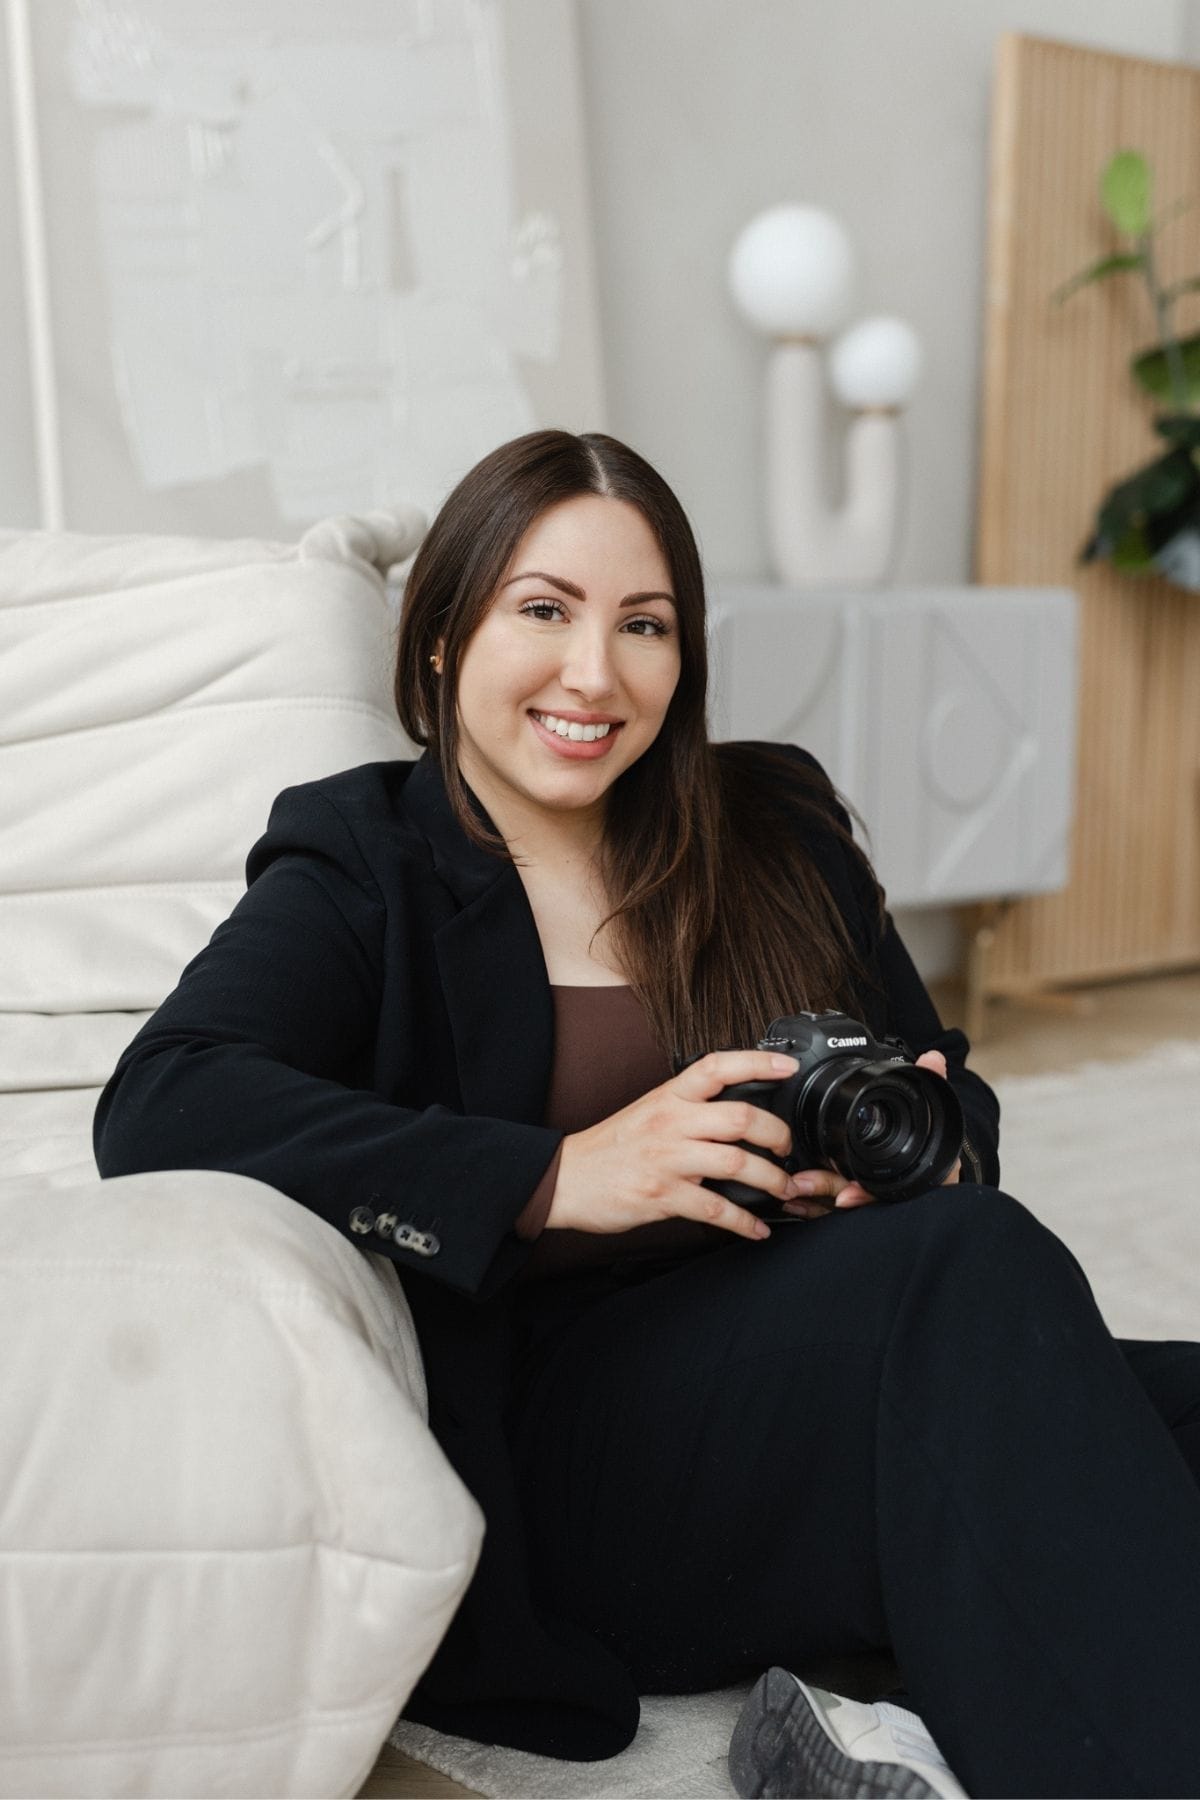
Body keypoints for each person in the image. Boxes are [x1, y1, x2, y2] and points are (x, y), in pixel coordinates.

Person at [93, 429, 1200, 1800]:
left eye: (645, 625)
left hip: (823, 1369)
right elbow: (165, 1100)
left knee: (1144, 1402)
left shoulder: (770, 823)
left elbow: (936, 1080)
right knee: (976, 1285)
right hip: (574, 1469)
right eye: (543, 611)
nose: (595, 674)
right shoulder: (363, 858)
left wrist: (925, 1146)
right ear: (442, 637)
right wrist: (558, 1175)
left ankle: (879, 1743)